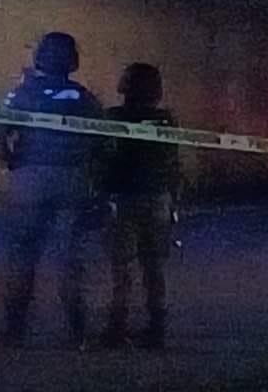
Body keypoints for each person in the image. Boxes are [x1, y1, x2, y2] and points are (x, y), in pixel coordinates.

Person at [0, 32, 104, 349]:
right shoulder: (84, 98)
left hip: (29, 178)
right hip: (72, 181)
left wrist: (13, 161)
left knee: (23, 254)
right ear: (72, 60)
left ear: (39, 56)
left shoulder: (21, 94)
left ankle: (13, 331)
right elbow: (102, 142)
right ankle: (79, 334)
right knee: (70, 257)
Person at [100, 63, 181, 350]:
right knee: (154, 267)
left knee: (122, 268)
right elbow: (173, 162)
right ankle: (157, 328)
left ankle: (117, 327)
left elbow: (103, 159)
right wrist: (175, 198)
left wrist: (99, 193)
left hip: (123, 198)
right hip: (158, 197)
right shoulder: (166, 121)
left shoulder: (113, 117)